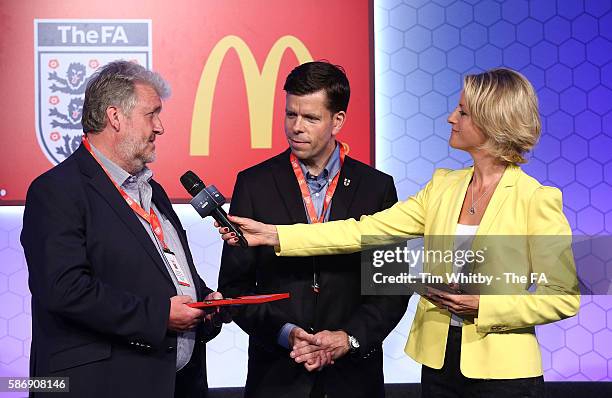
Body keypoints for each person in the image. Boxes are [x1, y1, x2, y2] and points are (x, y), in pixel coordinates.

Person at [219, 68, 580, 398]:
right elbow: (365, 230)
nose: (451, 117)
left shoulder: (537, 199)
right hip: (438, 365)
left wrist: (486, 306)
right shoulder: (443, 186)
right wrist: (277, 236)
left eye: (463, 112)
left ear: (492, 121)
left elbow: (563, 296)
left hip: (505, 375)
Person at [21, 60, 228, 398]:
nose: (160, 127)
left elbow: (165, 270)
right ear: (115, 117)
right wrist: (159, 316)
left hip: (175, 385)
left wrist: (204, 302)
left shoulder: (153, 191)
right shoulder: (56, 190)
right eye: (152, 114)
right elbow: (64, 289)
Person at [217, 61, 409, 398]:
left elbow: (391, 289)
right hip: (276, 377)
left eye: (310, 118)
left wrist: (347, 338)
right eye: (291, 115)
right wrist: (285, 333)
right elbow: (235, 287)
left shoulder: (376, 188)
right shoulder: (253, 184)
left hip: (353, 380)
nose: (296, 127)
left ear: (338, 121)